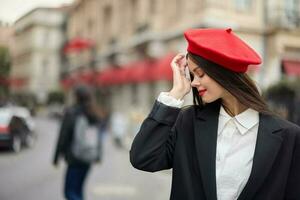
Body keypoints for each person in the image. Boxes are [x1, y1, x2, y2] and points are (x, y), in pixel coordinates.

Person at [130, 28, 300, 200]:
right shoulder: (188, 122)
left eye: (200, 74)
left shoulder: (288, 136)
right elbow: (143, 158)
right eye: (191, 74)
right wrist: (175, 93)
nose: (194, 83)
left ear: (223, 71)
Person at [53, 85, 102, 200]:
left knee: (69, 192)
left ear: (76, 97)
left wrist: (56, 157)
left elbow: (63, 136)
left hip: (74, 158)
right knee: (79, 190)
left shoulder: (71, 113)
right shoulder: (93, 113)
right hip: (88, 157)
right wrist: (98, 155)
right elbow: (98, 137)